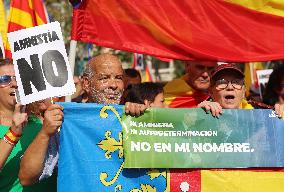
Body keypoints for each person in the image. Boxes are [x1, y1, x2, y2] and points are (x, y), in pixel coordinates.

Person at [19, 53, 146, 185]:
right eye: (105, 78)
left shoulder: (131, 117)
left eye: (118, 78)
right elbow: (26, 177)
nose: (113, 85)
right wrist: (45, 133)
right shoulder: (67, 123)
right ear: (86, 83)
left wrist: (142, 122)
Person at [0, 59, 57, 191]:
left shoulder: (42, 122)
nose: (14, 84)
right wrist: (14, 132)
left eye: (18, 79)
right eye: (4, 79)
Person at [198, 64, 284, 118]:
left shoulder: (262, 113)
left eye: (236, 82)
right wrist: (196, 115)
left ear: (243, 91)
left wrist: (281, 114)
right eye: (222, 82)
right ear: (211, 92)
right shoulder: (203, 112)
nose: (230, 87)